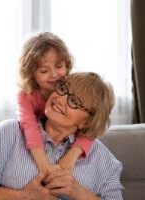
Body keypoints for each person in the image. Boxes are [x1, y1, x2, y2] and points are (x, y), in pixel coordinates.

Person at [0, 72, 123, 200]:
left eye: (74, 101)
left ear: (87, 121)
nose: (60, 99)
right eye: (62, 88)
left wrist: (79, 193)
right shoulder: (7, 133)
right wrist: (22, 197)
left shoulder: (104, 160)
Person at [17, 32, 93, 172]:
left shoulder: (71, 87)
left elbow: (93, 124)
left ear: (67, 64)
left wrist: (72, 155)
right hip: (41, 142)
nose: (54, 75)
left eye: (59, 66)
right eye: (44, 70)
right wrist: (45, 167)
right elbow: (29, 128)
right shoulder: (26, 95)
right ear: (31, 73)